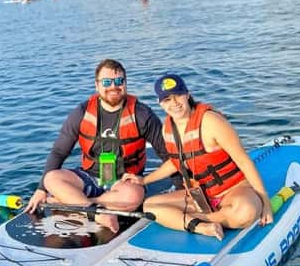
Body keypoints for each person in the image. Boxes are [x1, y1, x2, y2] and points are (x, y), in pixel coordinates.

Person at [24, 59, 171, 232]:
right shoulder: (81, 112)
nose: (113, 86)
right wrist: (41, 190)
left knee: (134, 197)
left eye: (119, 81)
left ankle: (77, 203)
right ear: (97, 85)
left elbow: (167, 155)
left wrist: (185, 188)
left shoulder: (142, 114)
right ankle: (97, 213)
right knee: (51, 179)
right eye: (107, 82)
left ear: (125, 83)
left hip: (124, 181)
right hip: (89, 176)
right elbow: (58, 151)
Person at [121, 74, 273, 240]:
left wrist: (265, 203)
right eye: (167, 100)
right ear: (161, 104)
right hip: (201, 196)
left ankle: (183, 219)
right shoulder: (167, 128)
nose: (175, 103)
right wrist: (144, 180)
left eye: (178, 95)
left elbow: (244, 161)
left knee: (247, 212)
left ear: (187, 94)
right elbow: (175, 163)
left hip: (233, 190)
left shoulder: (211, 121)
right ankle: (202, 226)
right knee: (150, 206)